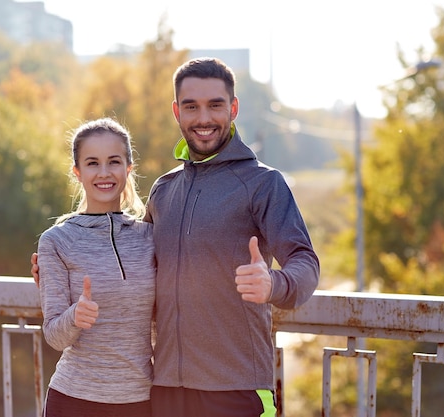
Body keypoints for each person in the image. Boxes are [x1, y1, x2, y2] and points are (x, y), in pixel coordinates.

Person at [33, 57, 319, 417]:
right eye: (191, 106)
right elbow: (138, 266)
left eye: (215, 105)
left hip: (235, 388)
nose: (203, 118)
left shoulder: (263, 184)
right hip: (164, 389)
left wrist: (274, 284)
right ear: (176, 112)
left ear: (233, 108)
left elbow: (305, 262)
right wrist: (57, 273)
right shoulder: (164, 190)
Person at [36, 117, 156, 417]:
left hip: (141, 400)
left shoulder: (151, 237)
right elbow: (54, 336)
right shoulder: (57, 241)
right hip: (74, 400)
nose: (104, 173)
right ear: (77, 172)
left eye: (114, 162)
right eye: (92, 163)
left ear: (129, 169)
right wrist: (75, 316)